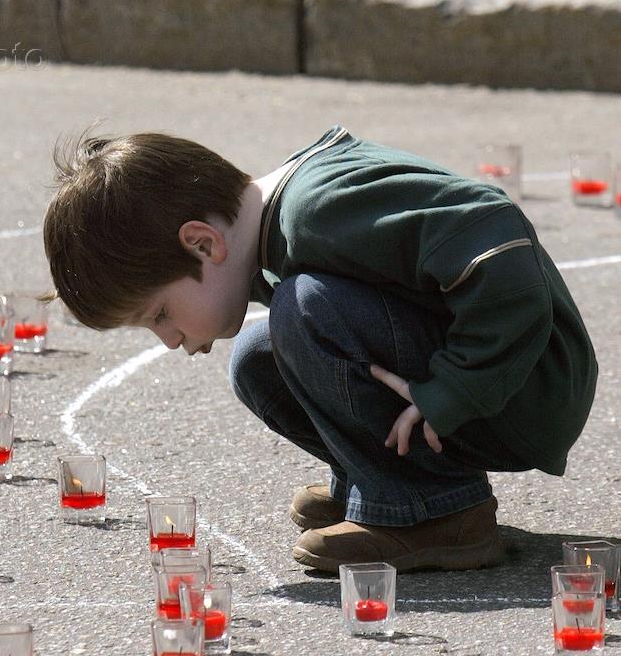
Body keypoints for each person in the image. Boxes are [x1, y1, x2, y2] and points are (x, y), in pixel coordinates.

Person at [43, 126, 597, 573]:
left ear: (204, 244)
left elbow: (497, 237)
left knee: (306, 308)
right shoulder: (281, 223)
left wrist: (459, 383)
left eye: (160, 314)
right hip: (491, 380)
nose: (168, 339)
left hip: (528, 386)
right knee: (259, 356)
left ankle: (432, 511)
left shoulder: (317, 208)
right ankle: (381, 484)